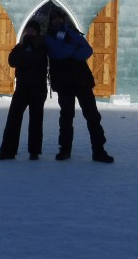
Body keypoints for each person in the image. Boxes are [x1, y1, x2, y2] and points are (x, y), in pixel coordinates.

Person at [45, 10, 114, 163]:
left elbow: (88, 50)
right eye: (54, 18)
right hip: (64, 82)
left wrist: (71, 50)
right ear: (51, 21)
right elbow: (58, 53)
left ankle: (99, 151)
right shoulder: (48, 37)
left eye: (59, 17)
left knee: (92, 116)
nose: (57, 20)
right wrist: (75, 48)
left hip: (82, 80)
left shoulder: (72, 32)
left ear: (63, 19)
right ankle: (65, 149)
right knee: (66, 116)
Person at [0, 20, 49, 160]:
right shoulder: (20, 46)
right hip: (22, 88)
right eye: (28, 30)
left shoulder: (42, 45)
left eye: (32, 30)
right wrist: (26, 57)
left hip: (38, 89)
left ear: (37, 32)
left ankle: (34, 152)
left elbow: (37, 60)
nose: (29, 32)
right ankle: (8, 151)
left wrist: (24, 58)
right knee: (13, 118)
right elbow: (12, 61)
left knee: (36, 120)